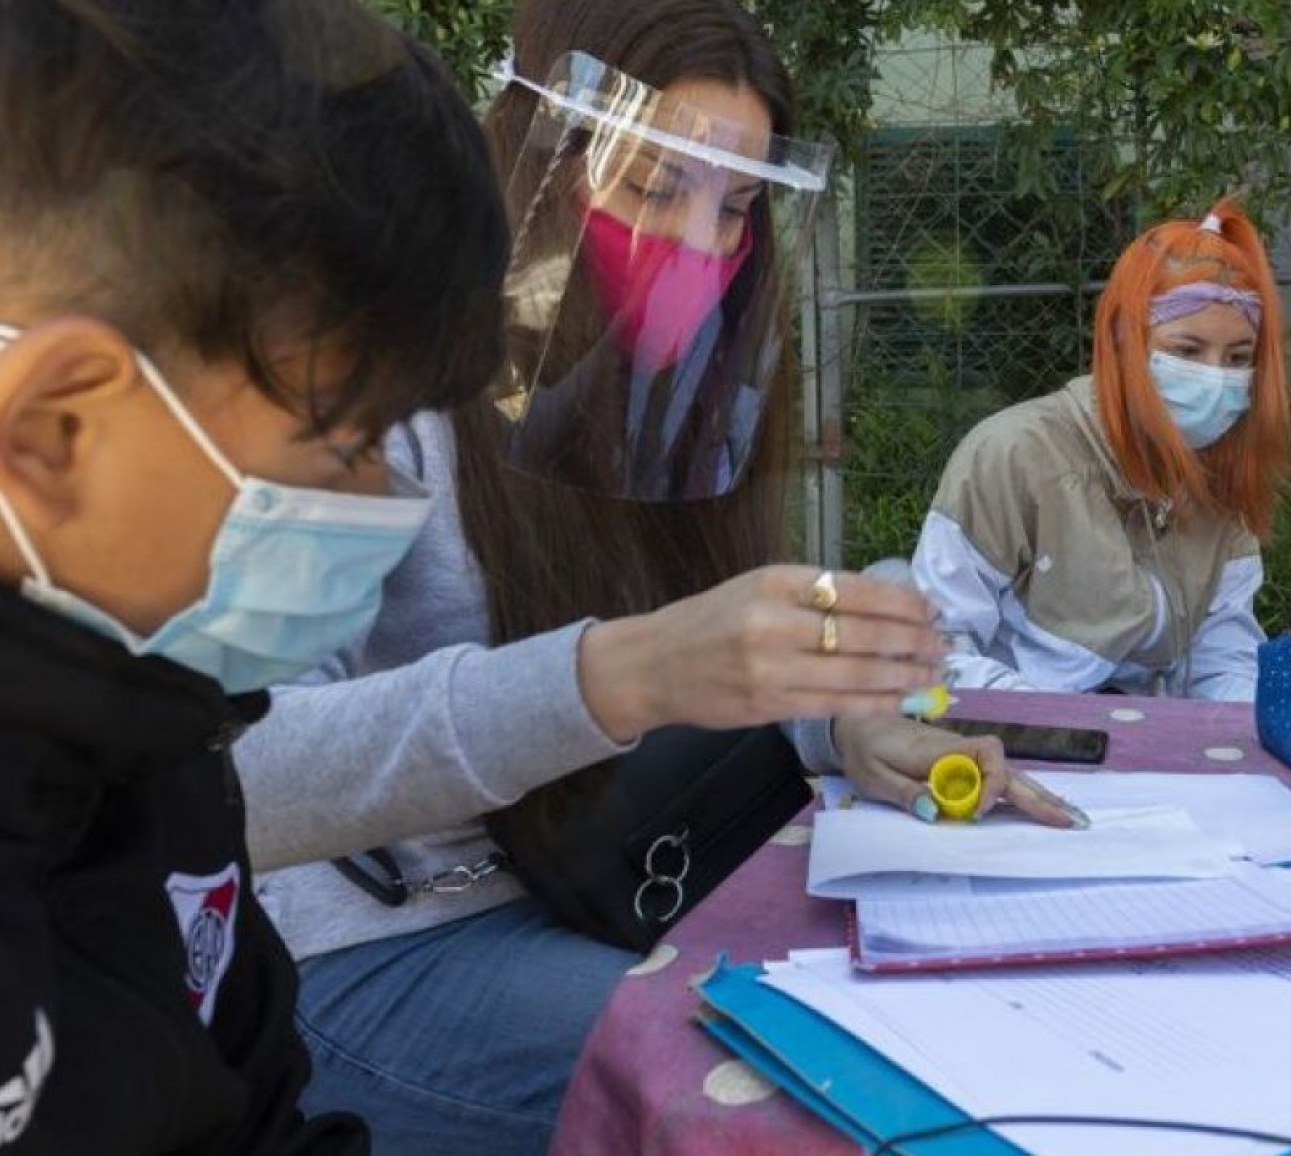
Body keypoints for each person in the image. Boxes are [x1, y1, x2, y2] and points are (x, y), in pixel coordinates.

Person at [231, 2, 1078, 1152]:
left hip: (613, 888)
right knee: (824, 1095)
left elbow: (719, 658)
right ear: (536, 162)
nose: (699, 243)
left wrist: (846, 725)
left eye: (736, 206)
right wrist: (612, 675)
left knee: (974, 1018)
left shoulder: (660, 398)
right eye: (652, 185)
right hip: (375, 956)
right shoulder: (368, 387)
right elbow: (242, 768)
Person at [0, 1, 508, 1152]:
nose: (380, 514)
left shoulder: (156, 721)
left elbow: (263, 1103)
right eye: (345, 448)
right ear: (54, 430)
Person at [911, 200, 1291, 700]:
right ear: (1123, 338)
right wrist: (1065, 729)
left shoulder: (1225, 471)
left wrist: (1233, 740)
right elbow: (936, 647)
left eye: (1238, 357)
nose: (1215, 376)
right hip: (1012, 747)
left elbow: (1224, 653)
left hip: (1153, 751)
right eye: (1187, 351)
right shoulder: (1014, 453)